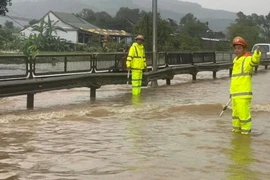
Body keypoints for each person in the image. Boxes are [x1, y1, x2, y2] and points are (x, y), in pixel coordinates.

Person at [230, 36, 261, 135]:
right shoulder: (235, 61)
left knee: (244, 117)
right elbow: (235, 79)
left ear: (244, 49)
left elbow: (254, 61)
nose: (237, 50)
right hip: (235, 95)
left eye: (239, 48)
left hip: (243, 95)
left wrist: (257, 54)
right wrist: (231, 93)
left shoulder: (247, 59)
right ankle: (236, 135)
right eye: (235, 48)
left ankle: (245, 137)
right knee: (235, 117)